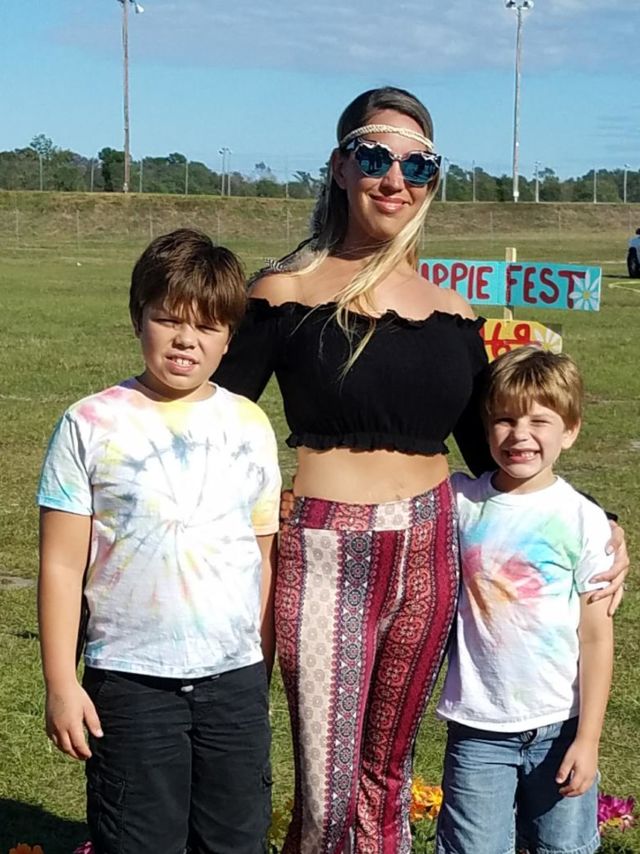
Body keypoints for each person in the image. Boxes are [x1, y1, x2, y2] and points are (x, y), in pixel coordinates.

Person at [213, 87, 627, 853]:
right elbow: (212, 422)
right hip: (327, 550)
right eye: (376, 157)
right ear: (341, 167)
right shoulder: (284, 294)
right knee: (328, 790)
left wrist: (598, 518)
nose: (395, 179)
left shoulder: (453, 315)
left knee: (388, 778)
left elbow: (495, 451)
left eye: (419, 165)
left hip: (431, 550)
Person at [37, 229, 281, 854]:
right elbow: (61, 566)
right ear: (137, 318)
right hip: (130, 682)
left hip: (233, 683)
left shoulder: (251, 425)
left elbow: (261, 555)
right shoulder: (88, 423)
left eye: (206, 326)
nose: (185, 339)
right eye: (168, 319)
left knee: (235, 839)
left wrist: (257, 668)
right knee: (140, 840)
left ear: (229, 337)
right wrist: (62, 684)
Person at [436, 347, 614, 854]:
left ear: (570, 431)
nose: (520, 435)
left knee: (564, 848)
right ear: (485, 427)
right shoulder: (459, 501)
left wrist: (588, 739)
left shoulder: (582, 518)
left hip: (561, 724)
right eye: (505, 420)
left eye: (539, 421)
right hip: (478, 729)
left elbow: (596, 637)